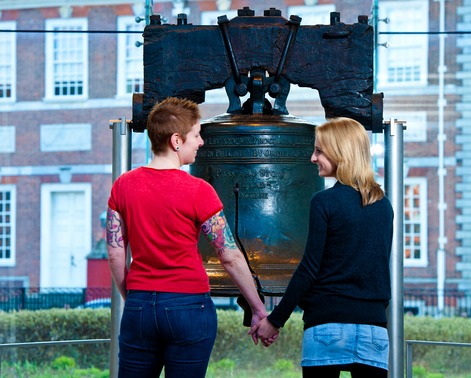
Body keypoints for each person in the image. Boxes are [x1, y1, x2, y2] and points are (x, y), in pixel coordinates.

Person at [105, 97, 268, 378]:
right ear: (176, 140)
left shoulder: (123, 185)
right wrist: (257, 308)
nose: (201, 142)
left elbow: (116, 253)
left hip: (140, 306)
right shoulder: (199, 190)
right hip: (188, 307)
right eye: (196, 135)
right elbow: (229, 255)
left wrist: (133, 297)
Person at [250, 117, 394, 378]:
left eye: (319, 151)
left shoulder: (324, 202)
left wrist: (275, 320)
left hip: (328, 325)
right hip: (374, 330)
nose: (312, 158)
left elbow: (309, 269)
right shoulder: (384, 205)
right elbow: (375, 266)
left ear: (340, 153)